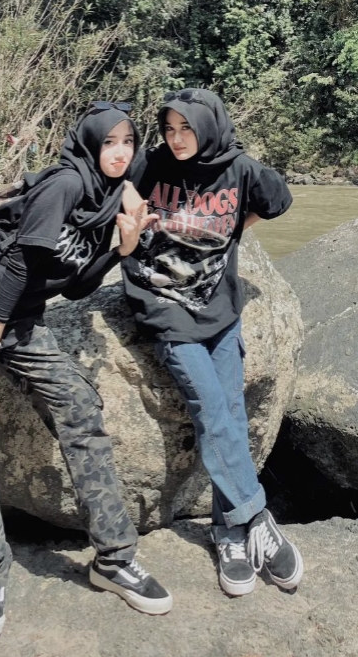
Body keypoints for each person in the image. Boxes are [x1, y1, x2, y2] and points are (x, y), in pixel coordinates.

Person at [0, 103, 172, 641]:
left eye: (128, 141)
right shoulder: (65, 185)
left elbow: (76, 285)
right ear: (89, 144)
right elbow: (19, 267)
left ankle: (114, 559)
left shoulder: (109, 197)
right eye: (108, 142)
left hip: (18, 316)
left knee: (79, 408)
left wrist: (123, 247)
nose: (119, 152)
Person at [121, 88, 303, 598]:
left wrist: (232, 232)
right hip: (164, 305)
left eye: (187, 128)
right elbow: (110, 192)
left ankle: (229, 534)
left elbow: (278, 200)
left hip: (219, 307)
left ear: (210, 127)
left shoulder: (238, 168)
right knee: (209, 408)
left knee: (232, 414)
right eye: (169, 129)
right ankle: (258, 518)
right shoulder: (150, 165)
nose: (177, 139)